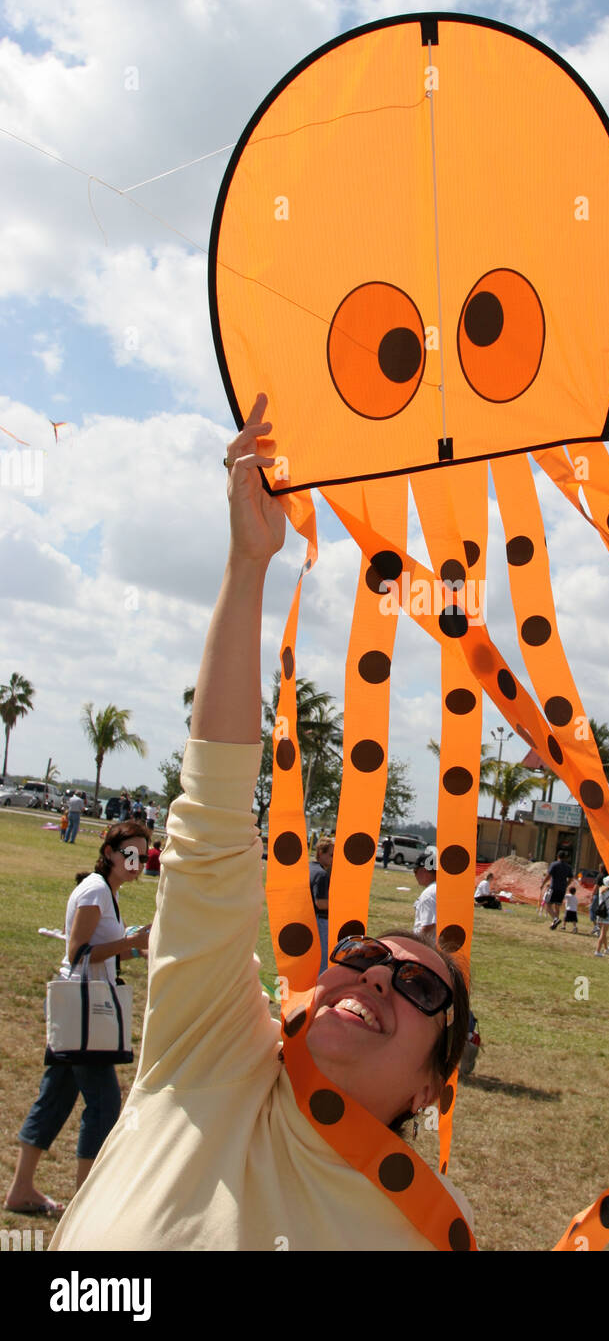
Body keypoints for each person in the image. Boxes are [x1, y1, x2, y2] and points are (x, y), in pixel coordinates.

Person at [50, 397, 471, 1251]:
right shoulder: (210, 1048)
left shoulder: (422, 1233)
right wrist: (249, 565)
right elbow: (209, 824)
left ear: (433, 1085)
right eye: (359, 957)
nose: (379, 979)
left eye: (421, 988)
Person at [4, 822, 150, 1218]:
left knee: (55, 1097)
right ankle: (87, 1203)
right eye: (130, 853)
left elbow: (99, 953)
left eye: (143, 855)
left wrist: (135, 951)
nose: (137, 862)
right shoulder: (96, 891)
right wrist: (132, 943)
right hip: (84, 1010)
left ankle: (21, 1190)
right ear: (109, 854)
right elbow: (78, 953)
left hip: (78, 1012)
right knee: (104, 1103)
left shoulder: (107, 892)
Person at [309, 837, 335, 975]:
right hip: (320, 921)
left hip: (309, 920)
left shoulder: (309, 868)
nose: (333, 858)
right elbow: (321, 903)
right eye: (331, 855)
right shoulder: (322, 874)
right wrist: (339, 905)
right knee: (324, 963)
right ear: (320, 853)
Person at [414, 848, 438, 939]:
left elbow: (427, 927)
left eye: (415, 871)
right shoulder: (441, 889)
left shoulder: (429, 894)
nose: (415, 875)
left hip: (428, 945)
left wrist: (415, 945)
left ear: (424, 870)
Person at [546, 848, 573, 929]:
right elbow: (571, 878)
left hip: (554, 887)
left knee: (548, 905)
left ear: (558, 856)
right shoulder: (568, 867)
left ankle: (555, 919)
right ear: (565, 858)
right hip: (562, 889)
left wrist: (543, 884)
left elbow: (548, 875)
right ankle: (554, 924)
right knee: (557, 907)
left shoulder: (554, 864)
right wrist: (566, 885)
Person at [594, 875, 609, 956]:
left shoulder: (601, 890)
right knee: (603, 933)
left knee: (602, 932)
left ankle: (606, 948)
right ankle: (597, 951)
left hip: (600, 912)